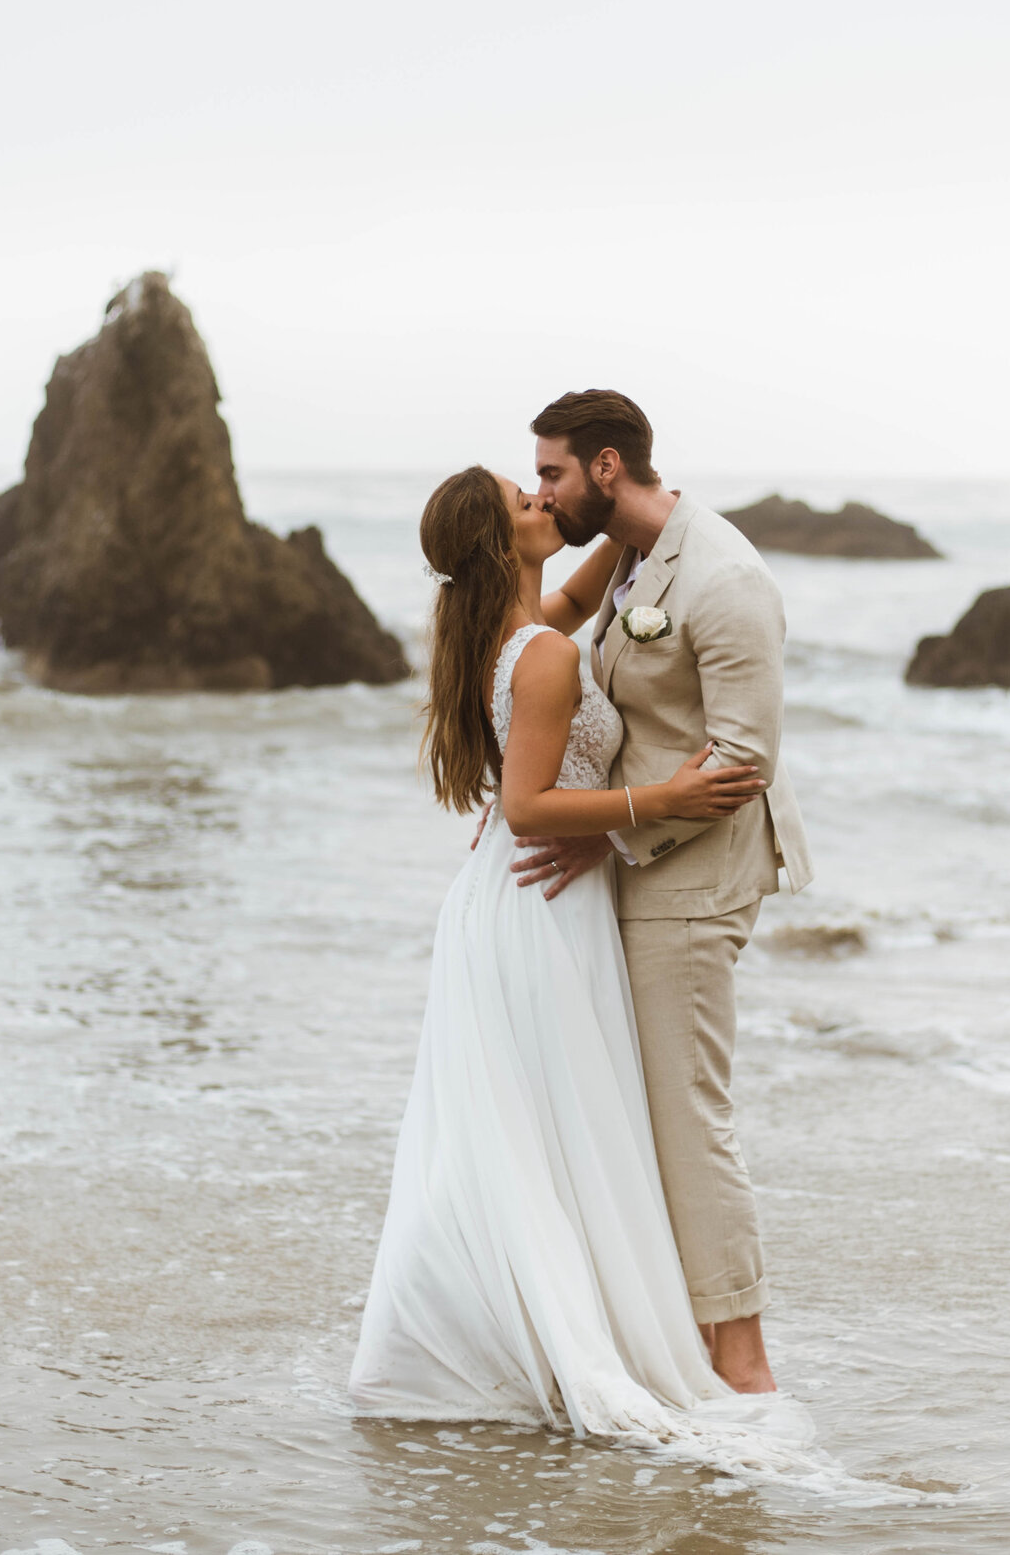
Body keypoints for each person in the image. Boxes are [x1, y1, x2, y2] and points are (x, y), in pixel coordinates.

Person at [346, 463, 766, 1432]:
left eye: (538, 486)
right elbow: (532, 804)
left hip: (517, 899)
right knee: (548, 1128)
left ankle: (498, 1326)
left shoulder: (519, 628)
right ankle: (522, 1333)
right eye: (524, 502)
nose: (543, 504)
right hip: (537, 905)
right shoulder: (537, 653)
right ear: (502, 544)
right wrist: (660, 801)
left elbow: (593, 569)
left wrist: (635, 494)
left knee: (532, 1133)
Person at [512, 388, 812, 1396]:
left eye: (552, 472)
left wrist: (615, 834)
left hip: (694, 870)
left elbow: (742, 762)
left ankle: (744, 1362)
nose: (543, 494)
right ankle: (685, 1339)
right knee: (648, 1110)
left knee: (688, 1110)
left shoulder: (723, 578)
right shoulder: (634, 560)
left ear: (605, 467)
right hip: (643, 858)